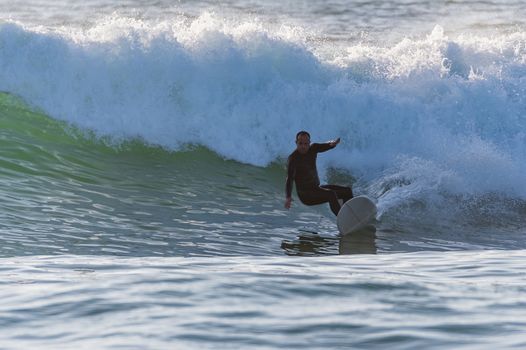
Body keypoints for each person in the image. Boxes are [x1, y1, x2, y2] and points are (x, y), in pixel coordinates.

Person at [284, 131, 353, 216]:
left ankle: (352, 215)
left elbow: (324, 146)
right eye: (300, 143)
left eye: (306, 144)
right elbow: (289, 178)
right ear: (296, 143)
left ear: (309, 143)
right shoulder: (293, 159)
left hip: (316, 189)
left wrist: (332, 144)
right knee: (331, 194)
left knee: (347, 191)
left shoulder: (313, 148)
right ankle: (344, 219)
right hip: (306, 196)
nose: (303, 146)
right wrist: (288, 197)